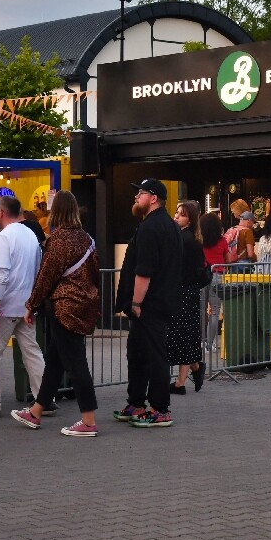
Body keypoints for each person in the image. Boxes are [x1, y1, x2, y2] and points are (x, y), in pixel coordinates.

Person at [10, 191, 102, 437]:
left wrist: (31, 304)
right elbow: (95, 273)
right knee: (55, 359)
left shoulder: (57, 239)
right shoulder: (87, 239)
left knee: (76, 362)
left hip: (63, 306)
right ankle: (36, 411)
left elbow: (46, 276)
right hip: (83, 304)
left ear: (56, 212)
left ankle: (88, 420)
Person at [115, 178, 182, 427]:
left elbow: (145, 271)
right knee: (138, 352)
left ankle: (159, 409)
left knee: (154, 355)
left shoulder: (151, 227)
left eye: (140, 193)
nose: (136, 197)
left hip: (149, 305)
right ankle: (136, 402)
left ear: (153, 198)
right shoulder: (168, 225)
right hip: (159, 301)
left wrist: (135, 303)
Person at [0, 195, 45, 418]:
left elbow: (1, 275)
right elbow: (37, 269)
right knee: (31, 351)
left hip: (7, 305)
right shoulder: (30, 235)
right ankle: (44, 399)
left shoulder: (4, 238)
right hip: (26, 304)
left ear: (2, 213)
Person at [168, 201, 209, 395]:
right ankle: (194, 368)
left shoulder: (184, 239)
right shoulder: (192, 238)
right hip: (189, 291)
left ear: (189, 219)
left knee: (182, 335)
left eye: (181, 214)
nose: (176, 216)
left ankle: (181, 382)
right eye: (176, 213)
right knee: (185, 335)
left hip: (183, 290)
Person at [199, 211, 226, 357]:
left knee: (201, 310)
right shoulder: (222, 241)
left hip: (202, 276)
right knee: (215, 311)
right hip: (218, 275)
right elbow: (227, 258)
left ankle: (202, 342)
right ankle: (210, 344)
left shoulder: (199, 240)